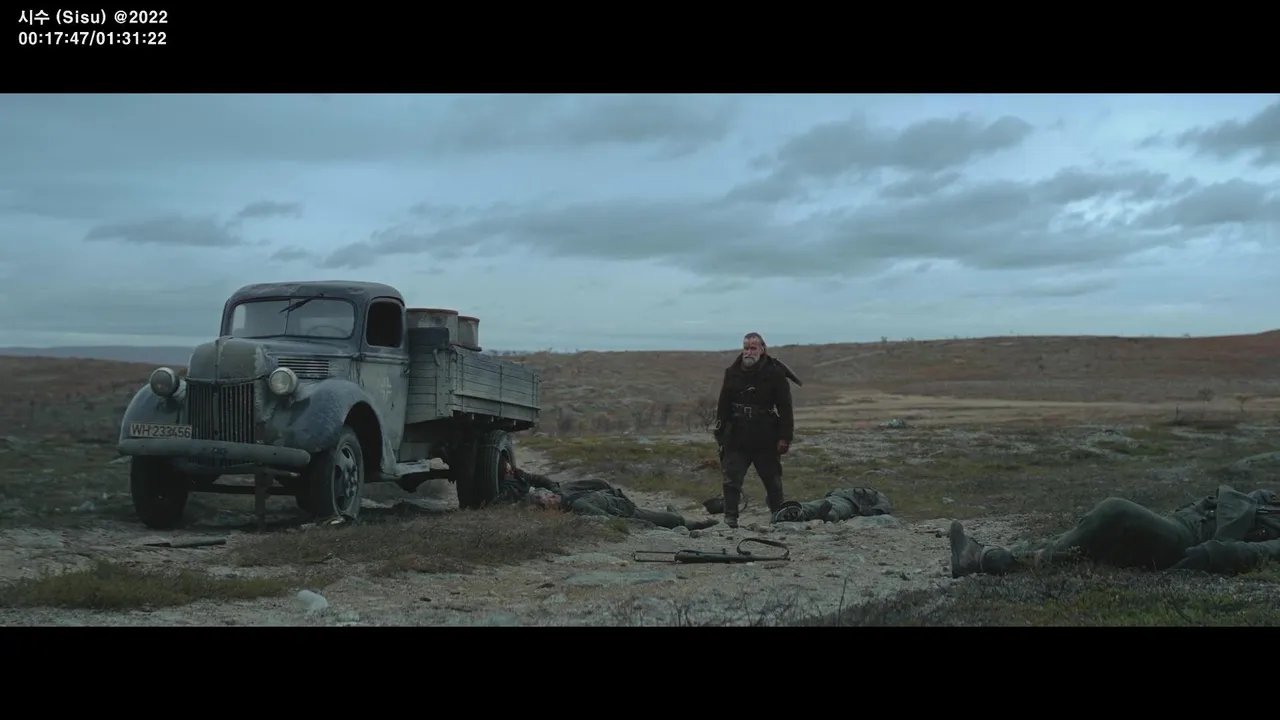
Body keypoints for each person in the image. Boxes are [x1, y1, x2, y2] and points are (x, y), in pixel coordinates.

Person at [947, 485, 1280, 578]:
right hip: (1183, 523)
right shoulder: (1270, 499)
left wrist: (1212, 554)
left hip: (1191, 543)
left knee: (1115, 511)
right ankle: (983, 557)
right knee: (1091, 534)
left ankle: (1004, 561)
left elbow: (1264, 551)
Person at [713, 332, 798, 528]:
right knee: (731, 478)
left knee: (772, 479)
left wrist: (785, 437)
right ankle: (730, 517)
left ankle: (778, 515)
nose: (748, 352)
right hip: (737, 434)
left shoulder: (774, 373)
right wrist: (720, 432)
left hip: (765, 435)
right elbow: (723, 405)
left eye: (753, 348)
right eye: (746, 348)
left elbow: (785, 408)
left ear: (762, 349)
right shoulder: (732, 372)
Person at [497, 465, 721, 531]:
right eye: (547, 499)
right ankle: (694, 524)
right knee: (670, 521)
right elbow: (612, 520)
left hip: (618, 497)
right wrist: (647, 526)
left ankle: (672, 515)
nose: (550, 496)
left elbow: (544, 482)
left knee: (661, 516)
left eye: (547, 495)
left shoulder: (565, 491)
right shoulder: (579, 506)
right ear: (549, 508)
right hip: (626, 510)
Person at [770, 486, 893, 523]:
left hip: (848, 504)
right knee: (815, 505)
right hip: (834, 499)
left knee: (833, 510)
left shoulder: (876, 494)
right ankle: (785, 513)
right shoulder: (845, 490)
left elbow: (885, 506)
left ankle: (825, 516)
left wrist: (870, 512)